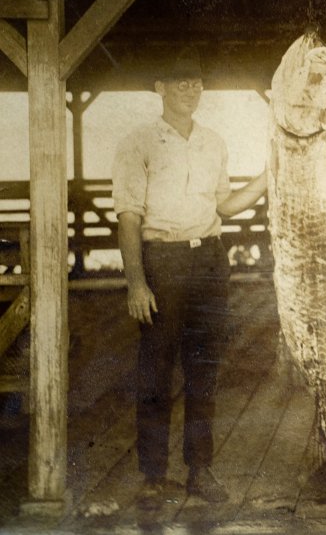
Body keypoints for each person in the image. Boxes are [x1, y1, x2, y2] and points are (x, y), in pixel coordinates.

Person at [113, 48, 233, 509]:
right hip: (161, 261)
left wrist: (271, 175)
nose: (190, 90)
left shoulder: (214, 142)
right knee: (155, 374)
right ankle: (152, 476)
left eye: (197, 82)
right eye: (180, 82)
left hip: (209, 261)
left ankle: (200, 471)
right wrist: (136, 282)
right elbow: (128, 218)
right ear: (159, 89)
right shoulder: (137, 142)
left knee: (204, 372)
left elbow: (225, 205)